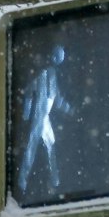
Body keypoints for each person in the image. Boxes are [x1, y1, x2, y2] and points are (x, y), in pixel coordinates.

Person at [18, 42, 70, 196]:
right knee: (31, 148)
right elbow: (28, 93)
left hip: (44, 118)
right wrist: (26, 115)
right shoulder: (41, 75)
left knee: (50, 145)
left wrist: (70, 110)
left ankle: (54, 179)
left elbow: (57, 98)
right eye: (56, 57)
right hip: (37, 117)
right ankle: (23, 180)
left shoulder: (53, 75)